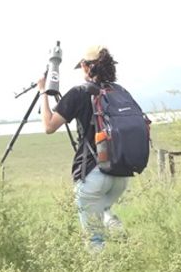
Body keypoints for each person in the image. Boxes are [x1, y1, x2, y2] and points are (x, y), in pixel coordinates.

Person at [37, 45, 129, 251]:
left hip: (93, 173)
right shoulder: (119, 92)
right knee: (103, 208)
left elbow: (49, 126)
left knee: (94, 240)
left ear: (87, 68)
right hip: (120, 174)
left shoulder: (79, 93)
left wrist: (43, 92)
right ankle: (113, 225)